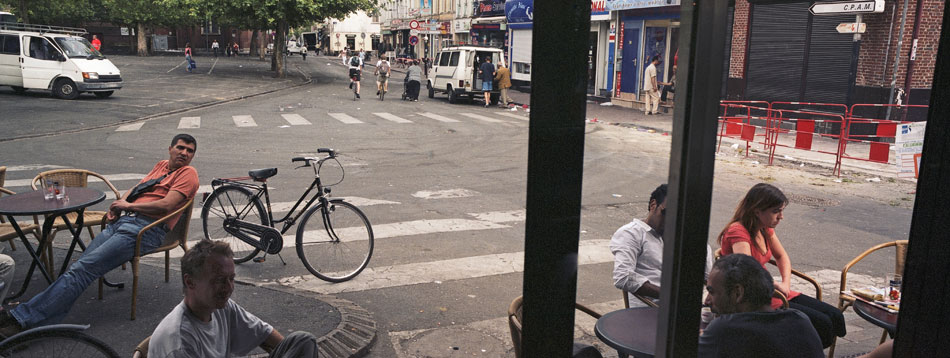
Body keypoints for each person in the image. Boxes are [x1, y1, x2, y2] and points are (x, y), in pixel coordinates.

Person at [0, 134, 199, 337]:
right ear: (170, 148)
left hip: (145, 230)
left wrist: (128, 206)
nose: (184, 153)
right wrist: (119, 205)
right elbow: (138, 188)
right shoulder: (162, 165)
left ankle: (21, 319)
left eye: (189, 151)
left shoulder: (188, 174)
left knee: (81, 271)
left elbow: (166, 205)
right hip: (125, 221)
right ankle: (41, 321)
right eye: (181, 148)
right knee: (79, 269)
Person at [717, 183, 846, 347]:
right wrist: (775, 285)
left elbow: (782, 256)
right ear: (757, 211)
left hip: (772, 290)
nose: (781, 216)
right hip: (755, 297)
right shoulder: (738, 231)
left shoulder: (764, 228)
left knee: (835, 316)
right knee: (822, 325)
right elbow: (747, 271)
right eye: (776, 211)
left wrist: (785, 283)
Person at [148, 240, 317, 358]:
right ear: (190, 282)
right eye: (219, 280)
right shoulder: (181, 344)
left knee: (302, 341)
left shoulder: (221, 307)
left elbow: (264, 334)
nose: (229, 288)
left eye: (232, 278)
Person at [698, 254, 824, 358]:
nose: (707, 301)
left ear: (738, 293)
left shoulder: (724, 329)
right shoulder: (800, 320)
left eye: (712, 292)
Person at [610, 184, 713, 307]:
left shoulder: (686, 237)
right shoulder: (632, 233)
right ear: (653, 205)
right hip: (651, 309)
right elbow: (623, 277)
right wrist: (670, 295)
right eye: (668, 213)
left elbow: (709, 277)